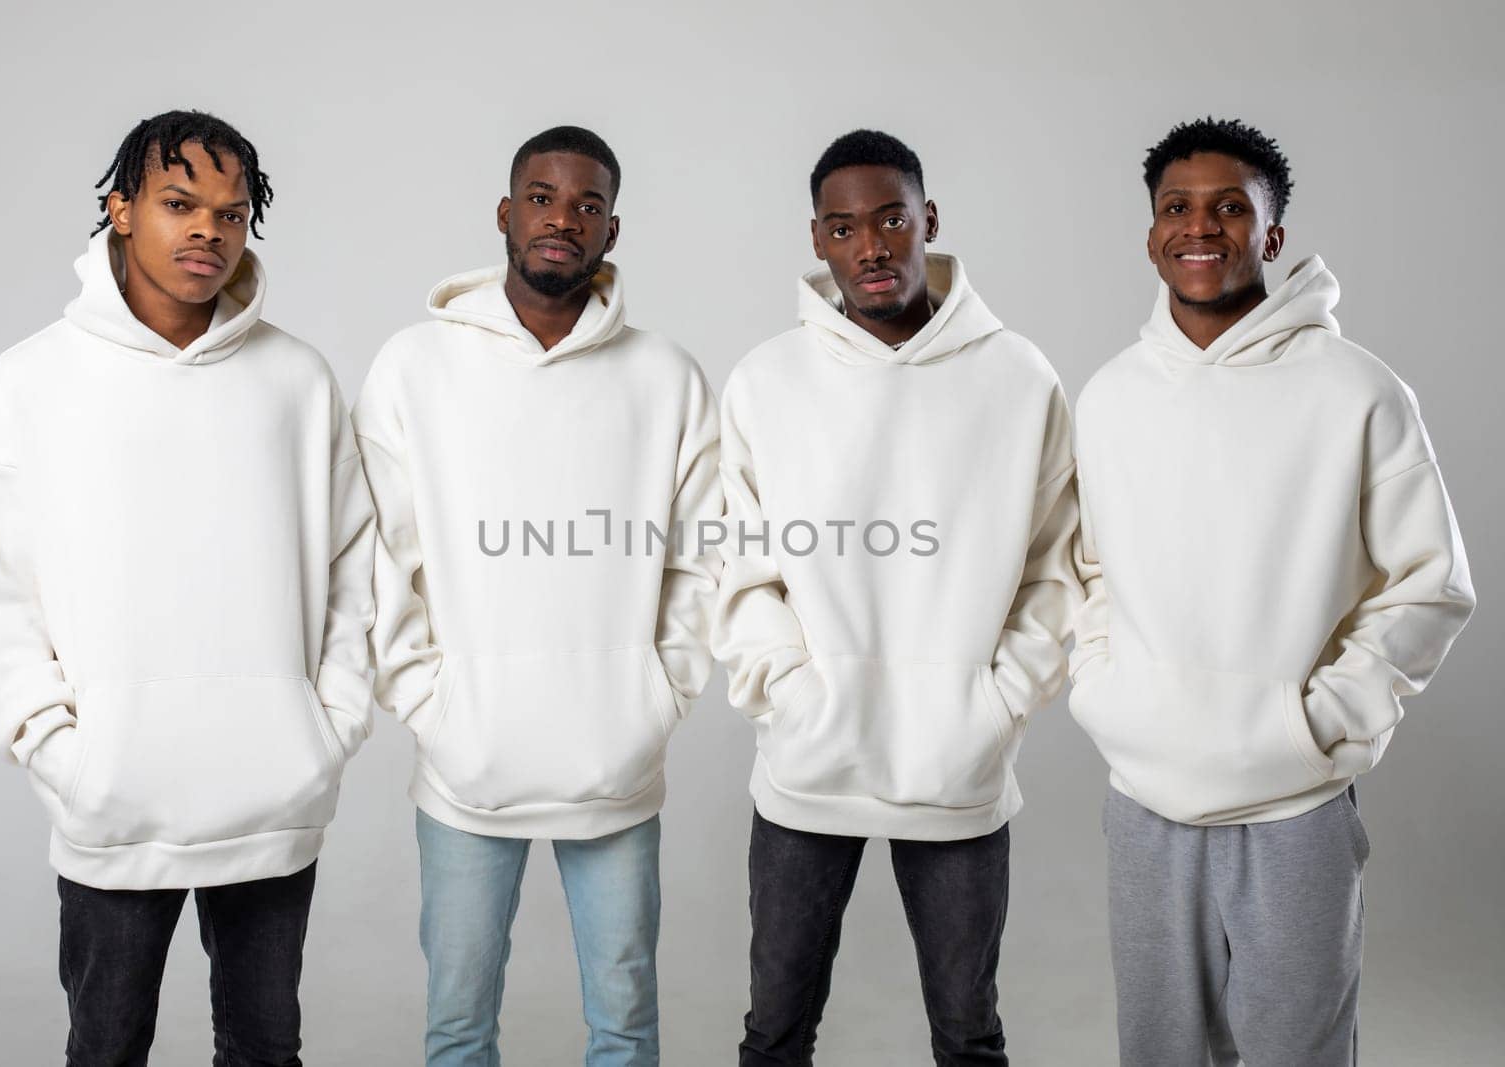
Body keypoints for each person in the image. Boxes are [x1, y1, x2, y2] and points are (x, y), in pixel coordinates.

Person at [0, 109, 376, 1066]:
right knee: (105, 1051)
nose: (207, 232)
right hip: (114, 804)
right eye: (180, 204)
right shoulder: (32, 380)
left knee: (265, 1049)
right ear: (120, 210)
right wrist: (67, 757)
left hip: (272, 798)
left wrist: (328, 725)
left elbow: (358, 567)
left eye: (231, 215)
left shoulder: (299, 381)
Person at [1069, 116, 1476, 1066]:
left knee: (1300, 1051)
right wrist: (1105, 689)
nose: (1200, 227)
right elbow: (1085, 569)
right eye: (1178, 207)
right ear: (1151, 232)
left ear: (1272, 235)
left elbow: (1431, 582)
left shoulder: (1357, 391)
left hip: (1294, 798)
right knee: (1161, 1050)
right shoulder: (1110, 396)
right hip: (1145, 796)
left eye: (1229, 208)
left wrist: (1324, 718)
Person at [353, 125, 720, 1067]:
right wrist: (434, 708)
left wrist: (657, 698)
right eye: (544, 197)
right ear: (507, 213)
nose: (564, 219)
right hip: (466, 768)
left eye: (588, 204)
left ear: (612, 229)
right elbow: (380, 558)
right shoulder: (412, 368)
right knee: (459, 1027)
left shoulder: (667, 378)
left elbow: (700, 561)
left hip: (616, 764)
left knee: (627, 1026)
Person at [713, 129, 1079, 1066]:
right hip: (807, 764)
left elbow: (1056, 563)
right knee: (775, 1029)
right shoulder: (766, 379)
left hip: (959, 764)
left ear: (929, 221)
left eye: (890, 219)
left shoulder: (1018, 376)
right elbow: (741, 567)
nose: (870, 246)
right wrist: (791, 692)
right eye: (843, 227)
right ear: (818, 239)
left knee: (968, 1032)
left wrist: (997, 702)